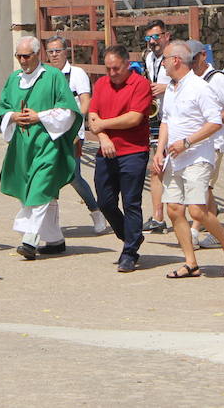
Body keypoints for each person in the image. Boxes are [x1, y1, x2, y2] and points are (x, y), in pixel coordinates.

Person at [155, 41, 224, 278]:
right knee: (173, 209)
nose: (162, 63)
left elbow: (215, 122)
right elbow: (166, 121)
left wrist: (187, 142)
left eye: (164, 58)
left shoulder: (199, 87)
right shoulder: (171, 89)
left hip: (198, 157)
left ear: (176, 60)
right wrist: (159, 150)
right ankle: (191, 262)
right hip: (174, 158)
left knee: (197, 211)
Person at [0, 36, 81, 259]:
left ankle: (30, 239)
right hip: (22, 145)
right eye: (19, 56)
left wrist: (39, 116)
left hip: (47, 143)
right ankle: (54, 240)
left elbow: (68, 111)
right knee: (37, 192)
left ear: (37, 55)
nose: (22, 61)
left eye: (27, 56)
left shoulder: (53, 76)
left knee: (40, 188)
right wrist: (12, 116)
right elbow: (2, 107)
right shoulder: (13, 79)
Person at [86, 44, 153, 272]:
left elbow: (134, 118)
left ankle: (129, 251)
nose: (112, 73)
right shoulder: (102, 83)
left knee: (131, 202)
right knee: (104, 201)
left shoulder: (140, 84)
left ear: (127, 64)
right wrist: (103, 137)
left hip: (133, 150)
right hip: (106, 151)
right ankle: (130, 236)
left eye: (116, 68)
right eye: (108, 69)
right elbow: (93, 115)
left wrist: (103, 124)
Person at [45, 35, 111, 235]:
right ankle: (51, 221)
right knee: (48, 176)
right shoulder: (45, 74)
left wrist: (74, 125)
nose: (54, 55)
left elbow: (85, 101)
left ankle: (96, 211)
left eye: (58, 50)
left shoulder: (77, 74)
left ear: (66, 51)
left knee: (73, 176)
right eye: (50, 51)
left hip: (72, 131)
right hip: (49, 131)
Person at [187, 39, 224, 249]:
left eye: (192, 59)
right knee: (205, 188)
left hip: (213, 141)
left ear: (202, 56)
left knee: (204, 187)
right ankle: (213, 230)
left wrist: (212, 122)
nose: (189, 63)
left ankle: (195, 230)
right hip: (196, 141)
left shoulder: (216, 79)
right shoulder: (190, 78)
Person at [140, 19, 172, 233]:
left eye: (156, 36)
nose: (153, 42)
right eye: (148, 38)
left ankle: (204, 213)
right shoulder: (148, 58)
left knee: (180, 170)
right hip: (157, 118)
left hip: (176, 118)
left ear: (166, 35)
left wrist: (166, 87)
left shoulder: (176, 55)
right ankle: (158, 217)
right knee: (155, 168)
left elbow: (191, 81)